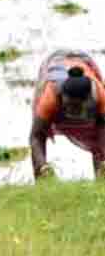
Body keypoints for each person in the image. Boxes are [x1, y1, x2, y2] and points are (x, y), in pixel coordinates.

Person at [30, 49, 105, 180]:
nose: (73, 111)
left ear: (88, 99)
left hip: (83, 62)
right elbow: (36, 136)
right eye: (70, 105)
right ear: (62, 97)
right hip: (55, 62)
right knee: (41, 167)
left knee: (100, 148)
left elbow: (102, 131)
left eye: (78, 106)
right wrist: (42, 167)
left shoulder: (99, 95)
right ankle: (41, 186)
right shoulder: (51, 95)